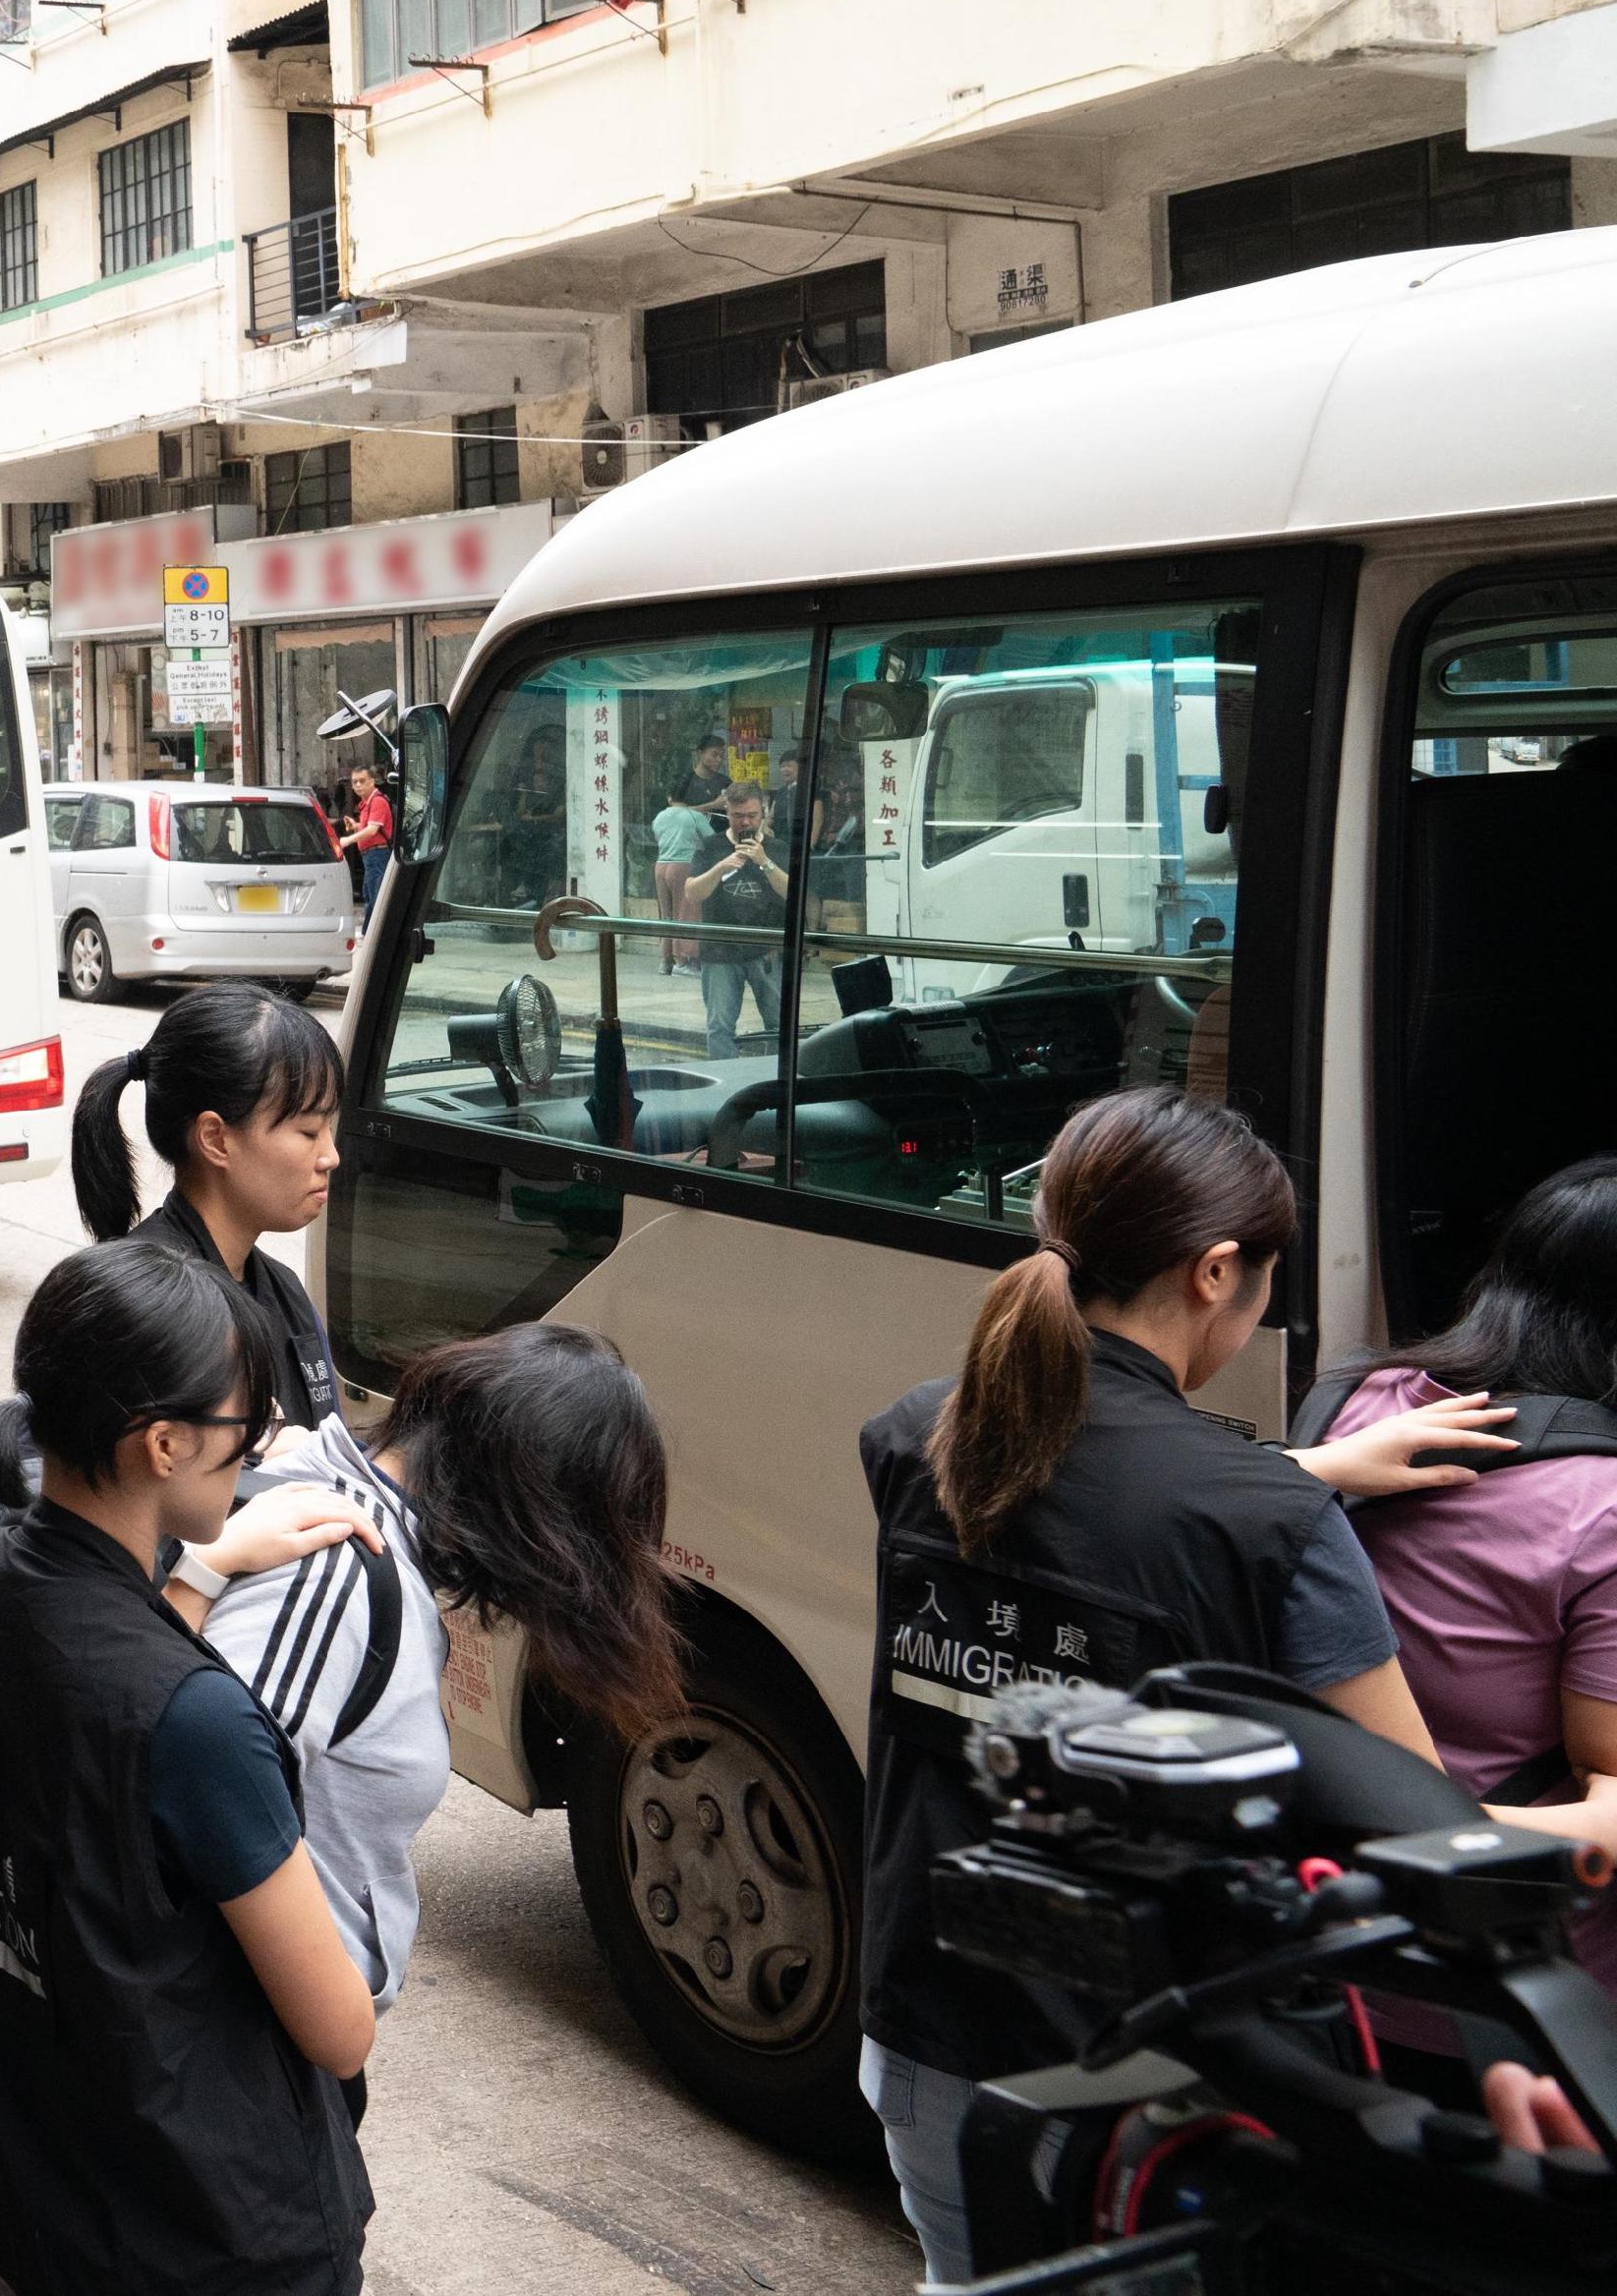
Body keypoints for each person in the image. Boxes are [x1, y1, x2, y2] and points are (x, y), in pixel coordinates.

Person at [854, 1088, 1450, 2284]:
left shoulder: (919, 1434)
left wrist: (1302, 1471)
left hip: (928, 2026)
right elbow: (1422, 1830)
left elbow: (1096, 1506)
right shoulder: (1273, 1526)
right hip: (1156, 2078)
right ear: (1217, 1271)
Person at [0, 1240, 376, 2296]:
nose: (258, 1446)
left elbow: (95, 1732)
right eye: (241, 1425)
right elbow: (338, 2027)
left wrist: (204, 1567)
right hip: (207, 2241)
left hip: (25, 2202)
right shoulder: (199, 1723)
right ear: (162, 1443)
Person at [197, 1326, 679, 2025]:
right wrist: (329, 2017)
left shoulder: (343, 1499)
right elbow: (201, 1782)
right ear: (540, 1515)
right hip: (242, 2035)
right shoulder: (340, 1573)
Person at [1298, 1152, 1617, 1990]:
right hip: (1521, 1992)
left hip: (1329, 1953)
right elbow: (1608, 1794)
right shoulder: (1602, 1507)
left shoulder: (1353, 1402)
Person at [72, 979, 351, 1442]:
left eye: (329, 1129)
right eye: (308, 1131)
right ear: (215, 1138)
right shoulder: (149, 1307)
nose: (330, 1156)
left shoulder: (283, 1288)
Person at [679, 778, 788, 1060]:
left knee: (779, 1025)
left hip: (767, 950)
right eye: (738, 816)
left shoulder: (777, 849)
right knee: (719, 1026)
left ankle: (773, 1082)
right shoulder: (710, 846)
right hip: (720, 950)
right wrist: (720, 867)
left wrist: (764, 862)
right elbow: (692, 893)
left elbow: (793, 894)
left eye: (752, 816)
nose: (745, 823)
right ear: (727, 813)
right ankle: (727, 1087)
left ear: (762, 812)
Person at [650, 771, 717, 974]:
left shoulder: (660, 816)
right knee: (686, 914)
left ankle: (666, 960)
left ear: (669, 798)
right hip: (685, 867)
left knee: (667, 915)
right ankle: (684, 962)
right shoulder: (694, 816)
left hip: (661, 866)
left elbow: (657, 837)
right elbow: (712, 840)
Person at [341, 767, 393, 916]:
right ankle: (369, 932)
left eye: (362, 781)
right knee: (370, 895)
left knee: (375, 897)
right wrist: (356, 826)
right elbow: (370, 828)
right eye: (355, 782)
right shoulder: (367, 804)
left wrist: (348, 840)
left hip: (378, 854)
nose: (358, 785)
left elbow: (372, 830)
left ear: (372, 782)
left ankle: (372, 934)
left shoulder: (377, 802)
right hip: (372, 856)